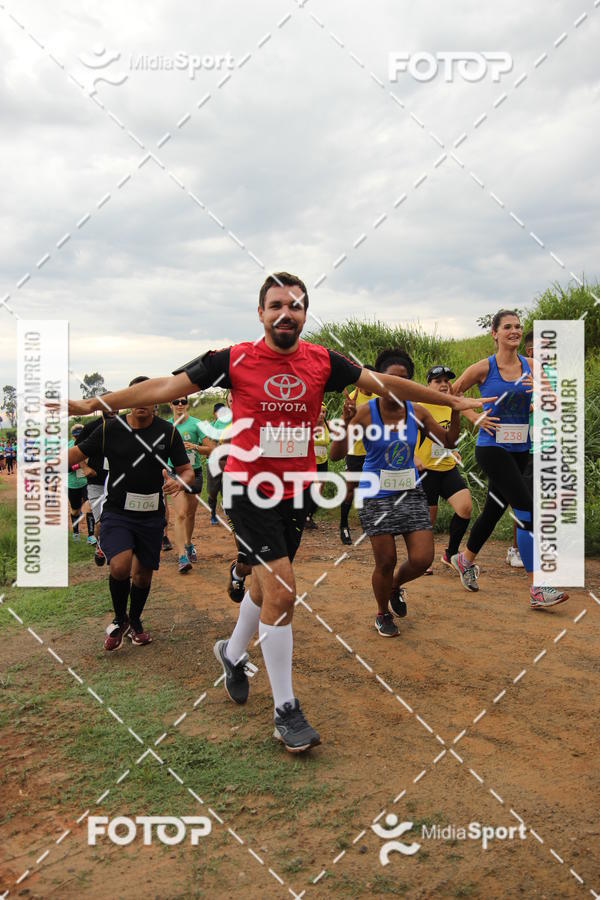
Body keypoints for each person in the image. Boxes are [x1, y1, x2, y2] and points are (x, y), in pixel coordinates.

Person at [66, 273, 489, 750]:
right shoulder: (231, 359)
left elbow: (388, 383)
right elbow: (164, 386)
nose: (285, 313)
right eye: (275, 305)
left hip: (297, 488)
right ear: (261, 313)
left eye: (295, 306)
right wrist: (92, 403)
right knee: (284, 591)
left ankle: (231, 652)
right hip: (250, 487)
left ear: (305, 314)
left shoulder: (323, 361)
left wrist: (451, 398)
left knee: (263, 584)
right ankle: (286, 710)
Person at [331, 349, 461, 636]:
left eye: (404, 380)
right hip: (376, 496)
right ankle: (382, 613)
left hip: (410, 492)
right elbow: (337, 453)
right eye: (390, 380)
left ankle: (394, 586)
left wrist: (455, 408)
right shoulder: (366, 413)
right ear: (378, 382)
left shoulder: (418, 412)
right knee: (386, 560)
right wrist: (344, 421)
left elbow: (449, 442)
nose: (397, 386)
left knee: (422, 558)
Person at [450, 310, 568, 609]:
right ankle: (538, 588)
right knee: (525, 506)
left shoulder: (533, 366)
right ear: (495, 333)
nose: (514, 331)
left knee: (494, 508)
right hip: (491, 447)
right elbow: (454, 394)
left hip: (519, 449)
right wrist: (475, 417)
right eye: (507, 327)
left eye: (518, 326)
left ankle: (465, 560)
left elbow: (552, 403)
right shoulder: (483, 368)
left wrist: (542, 395)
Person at [68, 378, 193, 649]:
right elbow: (74, 454)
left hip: (151, 514)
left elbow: (187, 470)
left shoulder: (168, 432)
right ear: (129, 399)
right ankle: (119, 617)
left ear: (156, 402)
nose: (142, 404)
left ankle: (134, 621)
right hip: (117, 511)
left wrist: (179, 481)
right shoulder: (110, 429)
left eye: (149, 399)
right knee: (120, 565)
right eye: (137, 398)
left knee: (143, 576)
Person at [414, 365, 473, 574]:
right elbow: (405, 436)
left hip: (447, 468)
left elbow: (449, 437)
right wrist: (413, 457)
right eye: (438, 381)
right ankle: (423, 561)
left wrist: (453, 451)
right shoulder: (418, 406)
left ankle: (451, 554)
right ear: (428, 385)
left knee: (465, 508)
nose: (444, 385)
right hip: (426, 470)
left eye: (446, 381)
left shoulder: (451, 406)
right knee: (428, 520)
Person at [168, 398, 211, 573]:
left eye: (183, 401)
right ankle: (182, 557)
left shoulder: (197, 424)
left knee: (191, 514)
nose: (179, 404)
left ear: (187, 404)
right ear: (169, 405)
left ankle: (188, 544)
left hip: (194, 473)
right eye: (175, 401)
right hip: (173, 473)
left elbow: (211, 448)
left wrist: (195, 446)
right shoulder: (166, 426)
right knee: (181, 513)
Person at [74, 403, 116, 565]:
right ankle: (100, 545)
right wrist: (85, 467)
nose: (112, 409)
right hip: (96, 481)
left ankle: (119, 552)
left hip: (118, 481)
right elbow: (77, 448)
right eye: (108, 406)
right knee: (101, 520)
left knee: (119, 519)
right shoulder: (92, 427)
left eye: (115, 405)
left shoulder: (126, 425)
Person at [339, 374, 375, 545]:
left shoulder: (378, 396)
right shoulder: (352, 397)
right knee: (350, 490)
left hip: (373, 452)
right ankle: (343, 525)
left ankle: (367, 523)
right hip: (354, 452)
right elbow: (341, 425)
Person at [67, 424, 96, 543]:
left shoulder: (90, 445)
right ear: (72, 436)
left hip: (87, 482)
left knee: (90, 506)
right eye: (75, 437)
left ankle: (90, 535)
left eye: (80, 436)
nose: (78, 439)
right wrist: (78, 465)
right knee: (75, 510)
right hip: (73, 483)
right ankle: (76, 533)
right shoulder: (68, 447)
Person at [304, 403, 331, 529]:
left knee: (319, 491)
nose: (322, 414)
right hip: (310, 462)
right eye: (319, 412)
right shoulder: (309, 425)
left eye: (324, 412)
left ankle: (309, 516)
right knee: (311, 490)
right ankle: (303, 516)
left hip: (323, 461)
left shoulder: (328, 425)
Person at [206, 401, 230, 525]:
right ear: (214, 414)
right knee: (213, 491)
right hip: (214, 462)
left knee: (228, 489)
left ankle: (229, 513)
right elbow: (210, 443)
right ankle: (213, 513)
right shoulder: (214, 425)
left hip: (229, 461)